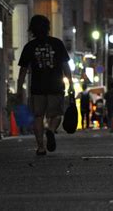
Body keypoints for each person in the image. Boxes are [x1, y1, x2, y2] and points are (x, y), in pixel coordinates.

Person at [17, 15, 73, 156]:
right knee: (56, 114)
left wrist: (19, 88)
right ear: (48, 28)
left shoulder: (29, 46)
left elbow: (23, 70)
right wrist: (70, 83)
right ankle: (51, 130)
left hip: (37, 88)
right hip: (55, 87)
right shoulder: (57, 44)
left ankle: (41, 147)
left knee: (38, 116)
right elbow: (65, 66)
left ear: (32, 29)